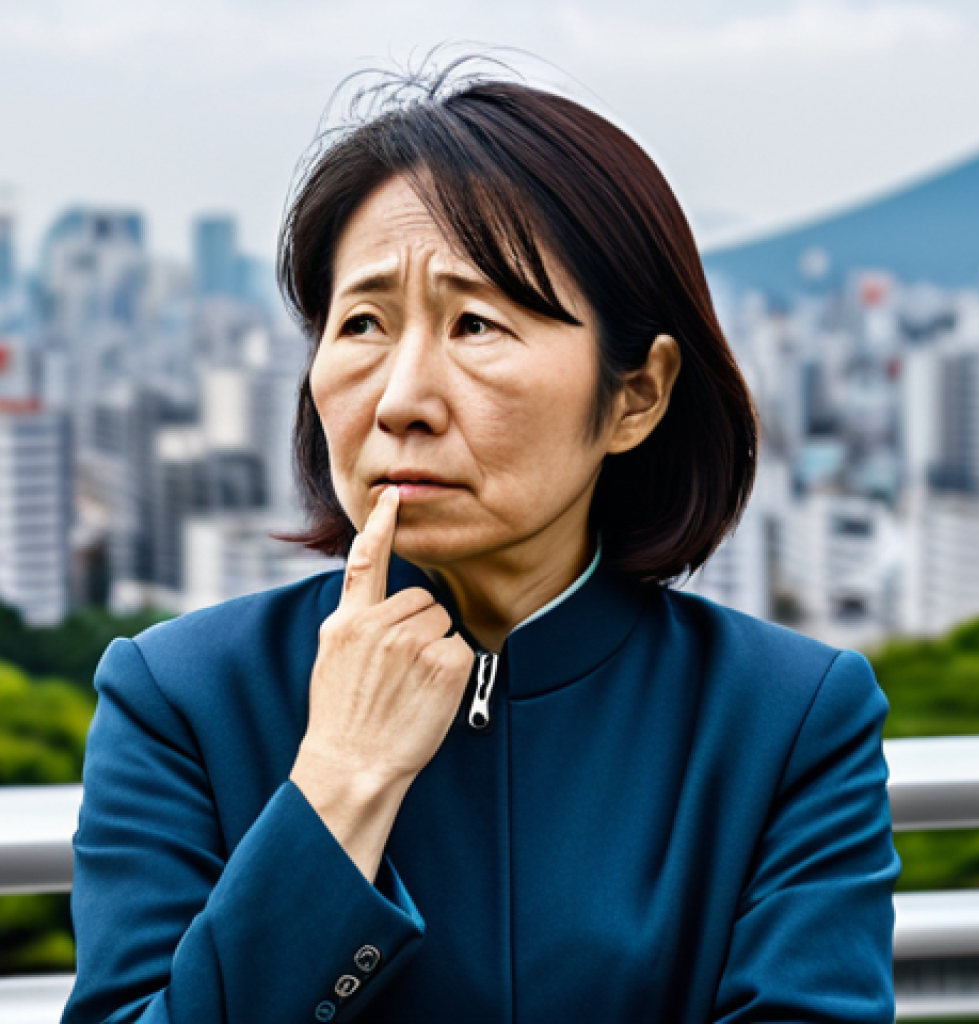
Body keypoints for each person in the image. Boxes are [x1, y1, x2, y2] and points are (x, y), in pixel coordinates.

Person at [62, 61, 900, 1024]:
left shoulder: (786, 723)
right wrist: (339, 779)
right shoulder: (185, 701)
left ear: (637, 394)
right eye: (365, 322)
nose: (402, 400)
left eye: (476, 323)